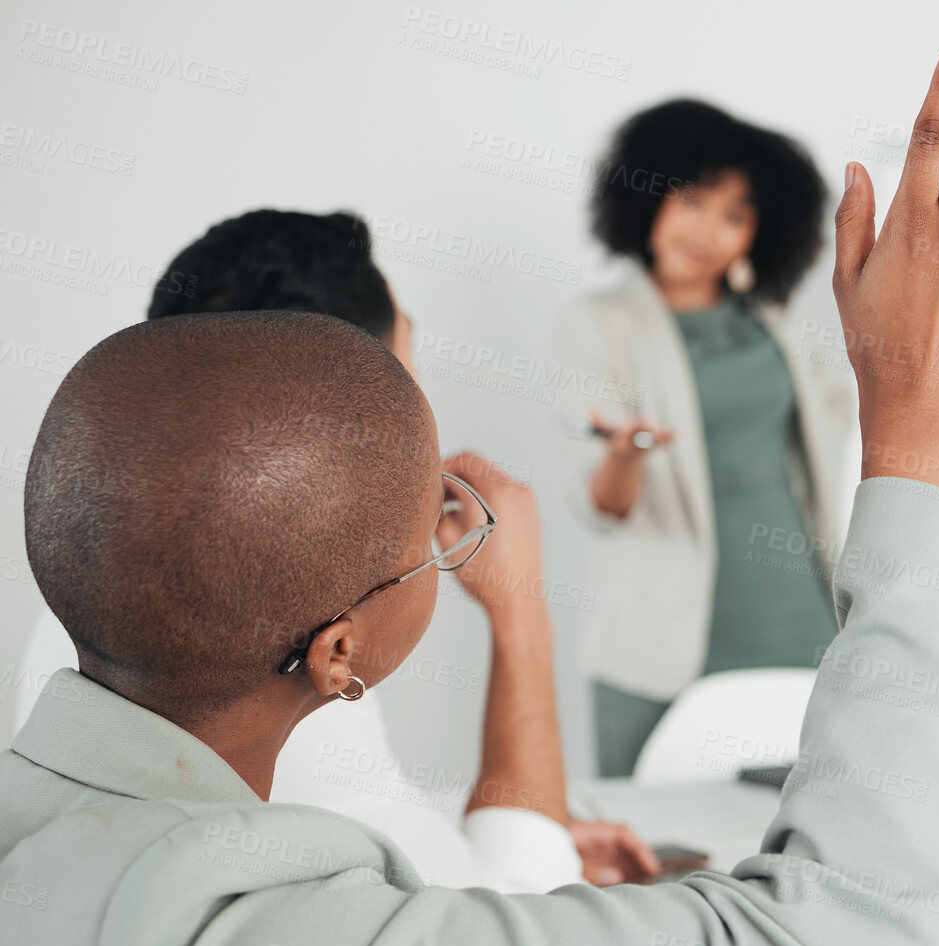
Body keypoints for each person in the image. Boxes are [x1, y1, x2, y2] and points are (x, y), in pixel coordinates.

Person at [0, 33, 939, 946]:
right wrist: (927, 421)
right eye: (428, 523)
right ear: (340, 649)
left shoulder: (69, 855)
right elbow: (845, 935)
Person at [12, 209, 659, 889]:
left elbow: (370, 823)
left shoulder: (102, 609)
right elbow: (515, 914)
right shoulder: (267, 690)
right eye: (402, 370)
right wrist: (520, 613)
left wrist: (471, 831)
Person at [566, 99, 856, 776]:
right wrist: (623, 454)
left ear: (763, 230)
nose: (709, 230)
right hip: (665, 633)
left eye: (736, 214)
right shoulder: (598, 324)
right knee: (655, 840)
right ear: (647, 196)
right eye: (693, 199)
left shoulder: (776, 324)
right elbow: (600, 505)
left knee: (806, 819)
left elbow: (841, 430)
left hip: (792, 608)